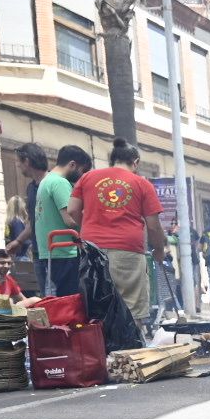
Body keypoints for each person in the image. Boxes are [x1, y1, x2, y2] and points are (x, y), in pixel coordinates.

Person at [67, 138, 167, 331]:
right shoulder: (141, 184)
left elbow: (72, 211)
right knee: (131, 308)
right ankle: (128, 356)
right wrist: (159, 250)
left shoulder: (87, 178)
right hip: (127, 252)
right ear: (135, 162)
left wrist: (88, 229)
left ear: (112, 159)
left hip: (92, 249)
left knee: (97, 306)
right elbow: (153, 226)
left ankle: (101, 355)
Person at [33, 145, 93, 297]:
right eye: (82, 171)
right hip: (65, 252)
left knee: (59, 300)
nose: (82, 176)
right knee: (70, 301)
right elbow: (70, 218)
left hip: (51, 252)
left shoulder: (45, 182)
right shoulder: (60, 183)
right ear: (72, 165)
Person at [12, 143, 46, 279]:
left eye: (18, 161)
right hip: (38, 252)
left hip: (57, 254)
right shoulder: (31, 188)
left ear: (26, 161)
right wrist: (18, 241)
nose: (17, 165)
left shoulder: (55, 183)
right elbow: (34, 222)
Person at [5, 194, 30, 260]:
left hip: (17, 255)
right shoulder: (17, 222)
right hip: (22, 255)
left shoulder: (11, 221)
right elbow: (21, 239)